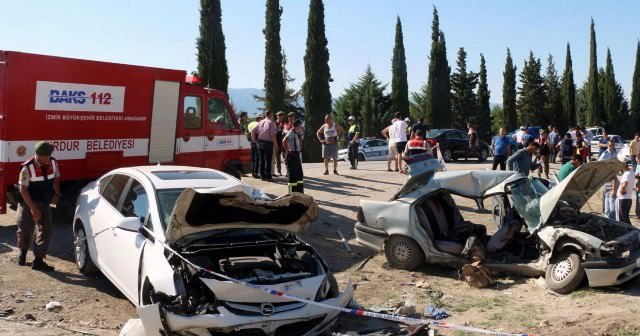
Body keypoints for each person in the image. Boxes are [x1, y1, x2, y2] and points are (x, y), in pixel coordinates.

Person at [16, 141, 60, 271]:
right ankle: (22, 255)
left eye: (49, 155)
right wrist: (33, 209)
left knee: (45, 231)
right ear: (38, 155)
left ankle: (38, 261)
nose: (48, 158)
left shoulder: (53, 162)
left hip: (45, 202)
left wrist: (57, 194)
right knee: (24, 228)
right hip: (28, 201)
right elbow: (23, 190)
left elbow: (57, 178)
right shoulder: (26, 168)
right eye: (45, 156)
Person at [252, 110, 277, 181]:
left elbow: (253, 131)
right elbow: (273, 135)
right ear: (271, 115)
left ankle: (262, 176)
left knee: (261, 160)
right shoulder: (271, 122)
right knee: (268, 160)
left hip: (260, 142)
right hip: (268, 143)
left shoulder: (260, 122)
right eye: (272, 115)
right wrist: (276, 145)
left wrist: (254, 140)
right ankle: (268, 177)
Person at [598, 140, 619, 219]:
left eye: (613, 145)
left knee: (609, 197)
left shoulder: (614, 153)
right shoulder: (604, 154)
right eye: (610, 145)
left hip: (613, 176)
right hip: (607, 176)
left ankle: (608, 216)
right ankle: (608, 215)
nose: (612, 147)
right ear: (607, 145)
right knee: (608, 197)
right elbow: (598, 164)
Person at [283, 120, 304, 193]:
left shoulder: (297, 133)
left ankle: (300, 192)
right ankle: (292, 194)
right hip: (291, 155)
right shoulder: (291, 132)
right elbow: (284, 141)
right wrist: (287, 150)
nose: (301, 127)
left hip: (297, 154)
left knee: (299, 175)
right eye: (300, 126)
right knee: (292, 176)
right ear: (297, 126)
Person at [617, 160, 635, 224]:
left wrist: (622, 191)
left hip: (623, 199)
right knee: (625, 217)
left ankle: (632, 231)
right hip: (628, 199)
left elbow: (625, 183)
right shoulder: (631, 172)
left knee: (623, 218)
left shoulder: (626, 174)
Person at [247, 113, 264, 178]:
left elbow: (248, 134)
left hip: (251, 141)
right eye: (262, 118)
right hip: (256, 141)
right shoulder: (258, 124)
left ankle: (253, 173)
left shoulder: (250, 124)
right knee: (257, 157)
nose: (263, 119)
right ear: (259, 118)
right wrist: (256, 141)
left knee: (253, 158)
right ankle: (256, 173)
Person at [273, 111, 287, 176]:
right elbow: (273, 133)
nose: (280, 117)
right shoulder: (274, 123)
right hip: (277, 142)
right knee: (277, 157)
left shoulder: (285, 123)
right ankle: (279, 171)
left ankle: (288, 171)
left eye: (281, 115)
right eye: (279, 116)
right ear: (277, 116)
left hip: (283, 142)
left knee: (285, 156)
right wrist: (279, 127)